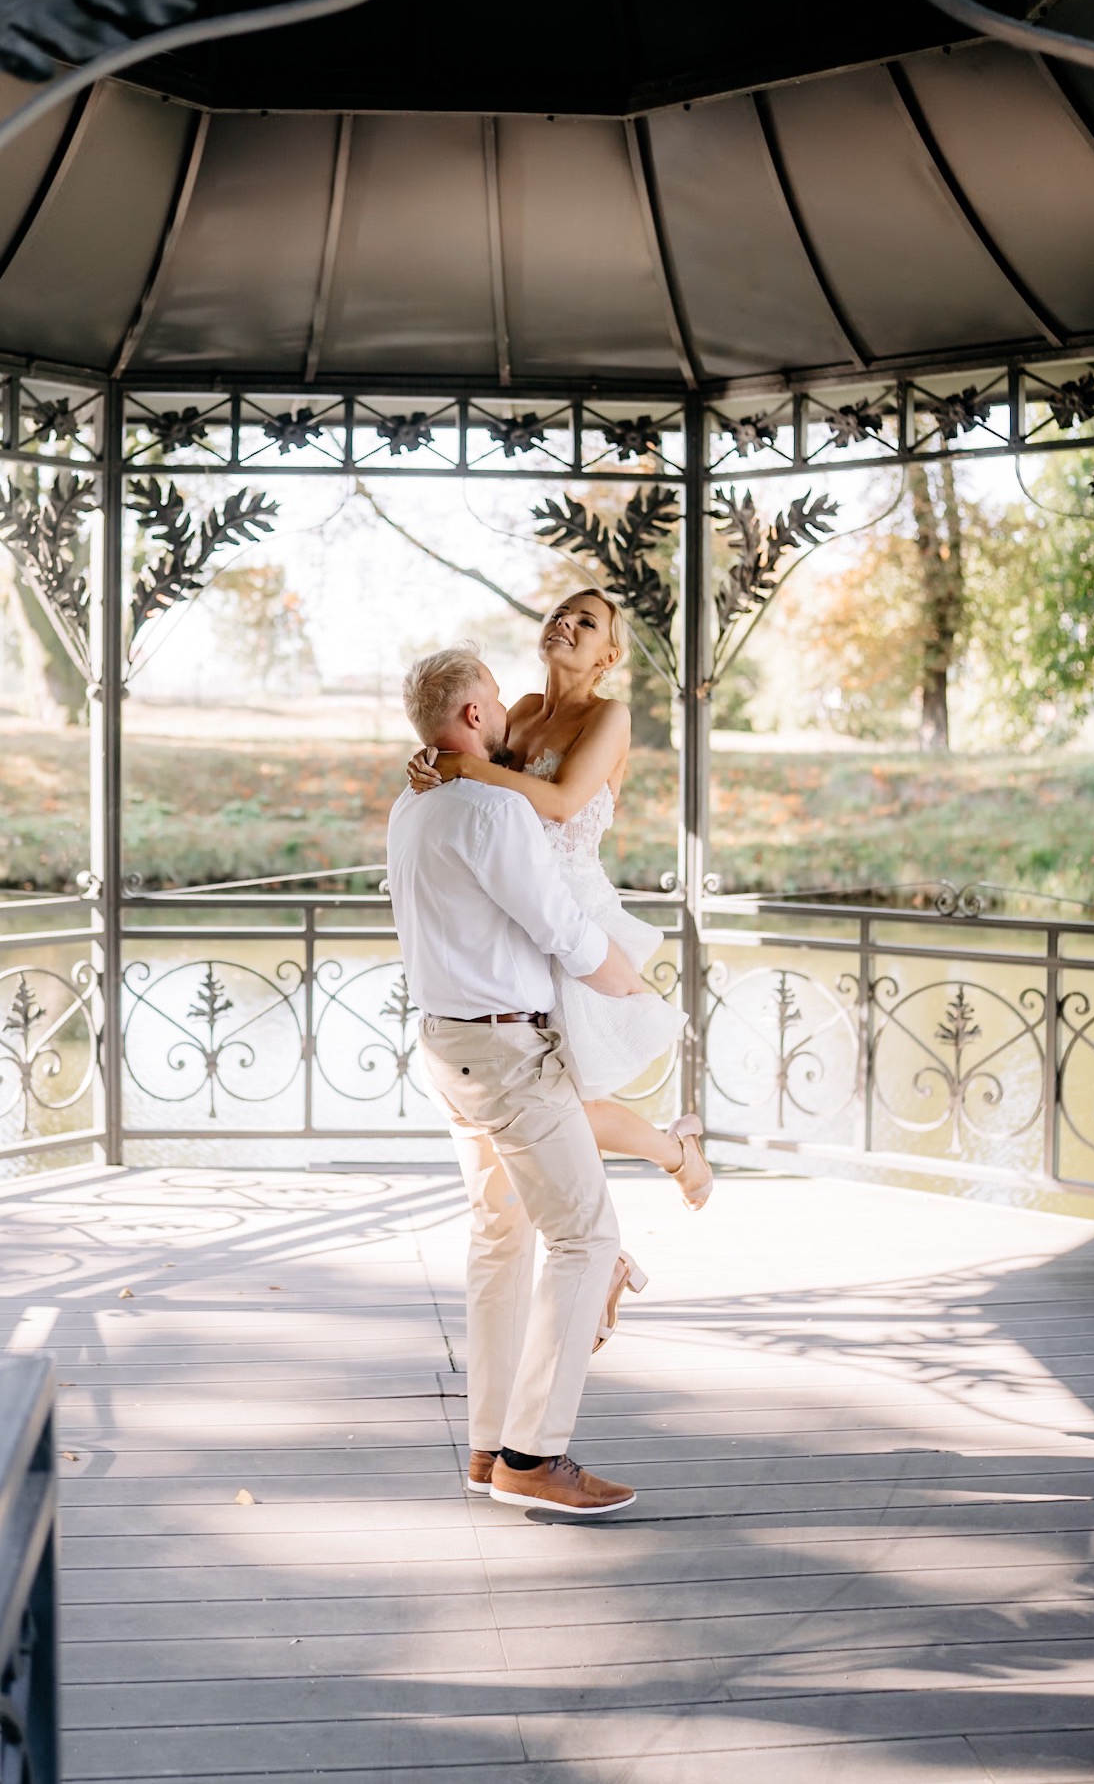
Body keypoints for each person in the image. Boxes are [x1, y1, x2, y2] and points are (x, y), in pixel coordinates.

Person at [387, 646, 649, 1515]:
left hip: (445, 1048)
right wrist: (626, 983)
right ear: (470, 717)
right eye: (494, 702)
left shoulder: (409, 807)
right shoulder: (490, 812)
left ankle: (490, 1442)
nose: (503, 714)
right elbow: (560, 925)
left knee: (500, 1240)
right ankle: (535, 1457)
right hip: (506, 1054)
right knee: (586, 1237)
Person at [408, 590, 712, 1211]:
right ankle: (617, 1241)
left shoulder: (610, 716)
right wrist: (430, 765)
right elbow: (478, 795)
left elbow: (563, 802)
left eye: (587, 622)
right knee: (541, 1102)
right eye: (560, 615)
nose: (566, 624)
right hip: (511, 913)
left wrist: (460, 767)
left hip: (571, 915)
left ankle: (675, 1159)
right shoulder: (514, 711)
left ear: (608, 655)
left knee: (560, 1100)